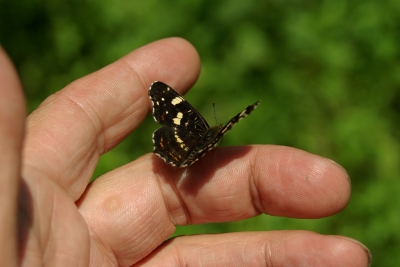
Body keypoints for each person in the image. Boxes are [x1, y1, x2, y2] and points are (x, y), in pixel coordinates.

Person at [0, 38, 371, 266]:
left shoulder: (191, 122)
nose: (219, 130)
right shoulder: (204, 128)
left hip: (178, 143)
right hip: (184, 148)